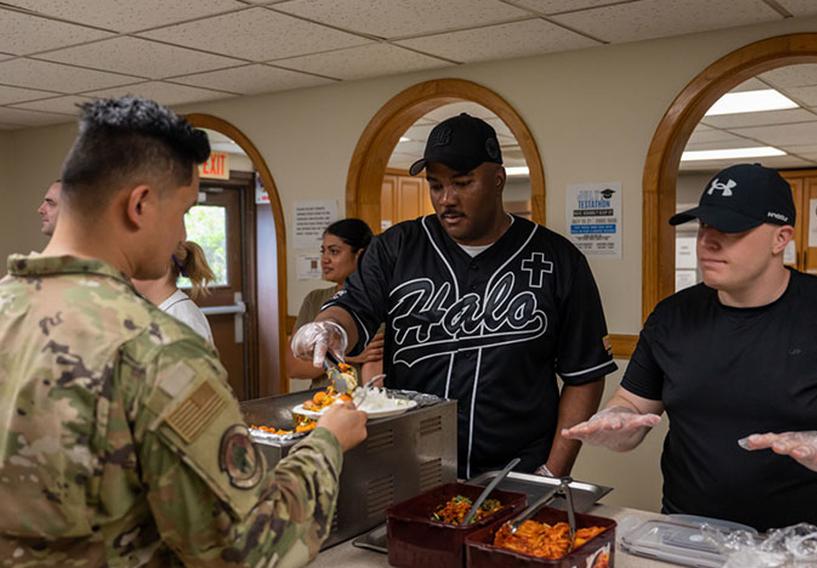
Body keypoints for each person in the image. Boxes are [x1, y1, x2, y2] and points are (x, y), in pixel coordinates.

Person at [0, 96, 367, 565]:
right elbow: (252, 549)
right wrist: (328, 442)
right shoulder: (155, 349)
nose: (181, 235)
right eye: (184, 211)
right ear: (139, 205)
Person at [563, 163, 817, 548]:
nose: (708, 241)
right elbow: (630, 404)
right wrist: (618, 422)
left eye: (730, 230)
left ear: (781, 238)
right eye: (705, 227)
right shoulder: (672, 317)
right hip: (691, 538)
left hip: (811, 548)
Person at [292, 113, 617, 479]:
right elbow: (352, 307)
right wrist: (329, 329)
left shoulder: (558, 259)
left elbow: (584, 373)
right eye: (436, 185)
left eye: (462, 183)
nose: (446, 199)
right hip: (411, 462)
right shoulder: (398, 248)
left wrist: (551, 471)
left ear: (497, 180)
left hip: (518, 468)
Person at [286, 219, 384, 388]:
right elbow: (294, 367)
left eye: (334, 252)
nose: (325, 259)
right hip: (321, 403)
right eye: (323, 251)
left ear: (360, 255)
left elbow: (376, 369)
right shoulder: (314, 299)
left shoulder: (377, 301)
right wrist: (345, 356)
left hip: (363, 403)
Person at [133, 240, 216, 346]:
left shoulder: (185, 320)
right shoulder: (156, 309)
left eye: (136, 265)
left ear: (162, 267)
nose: (127, 271)